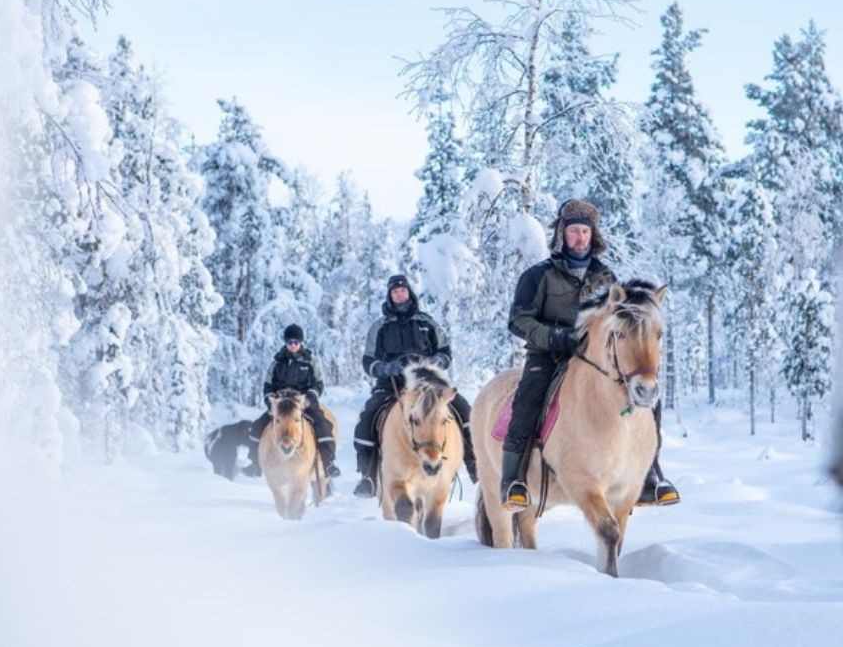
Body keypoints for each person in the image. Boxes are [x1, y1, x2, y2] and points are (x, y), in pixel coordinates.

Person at [500, 198, 680, 511]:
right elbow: (518, 320)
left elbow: (617, 321)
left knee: (648, 398)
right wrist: (554, 336)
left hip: (596, 360)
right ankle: (513, 481)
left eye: (585, 231)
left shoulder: (606, 278)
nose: (579, 237)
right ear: (562, 234)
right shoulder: (538, 276)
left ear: (593, 235)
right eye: (573, 231)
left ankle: (650, 475)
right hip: (548, 355)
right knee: (528, 400)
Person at [352, 274, 477, 497]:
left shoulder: (426, 322)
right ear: (390, 296)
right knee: (367, 418)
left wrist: (435, 362)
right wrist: (387, 368)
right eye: (395, 291)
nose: (399, 294)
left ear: (409, 292)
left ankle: (475, 467)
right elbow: (368, 361)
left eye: (403, 290)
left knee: (463, 409)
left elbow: (445, 352)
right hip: (391, 384)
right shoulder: (379, 327)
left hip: (427, 382)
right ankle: (368, 477)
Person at [242, 324, 339, 478]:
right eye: (289, 342)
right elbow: (268, 384)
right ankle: (255, 463)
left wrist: (310, 398)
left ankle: (329, 463)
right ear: (285, 343)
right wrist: (270, 401)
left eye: (296, 342)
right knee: (257, 426)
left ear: (301, 343)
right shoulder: (277, 362)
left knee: (324, 424)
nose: (293, 345)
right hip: (280, 404)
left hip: (303, 403)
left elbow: (319, 383)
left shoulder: (310, 360)